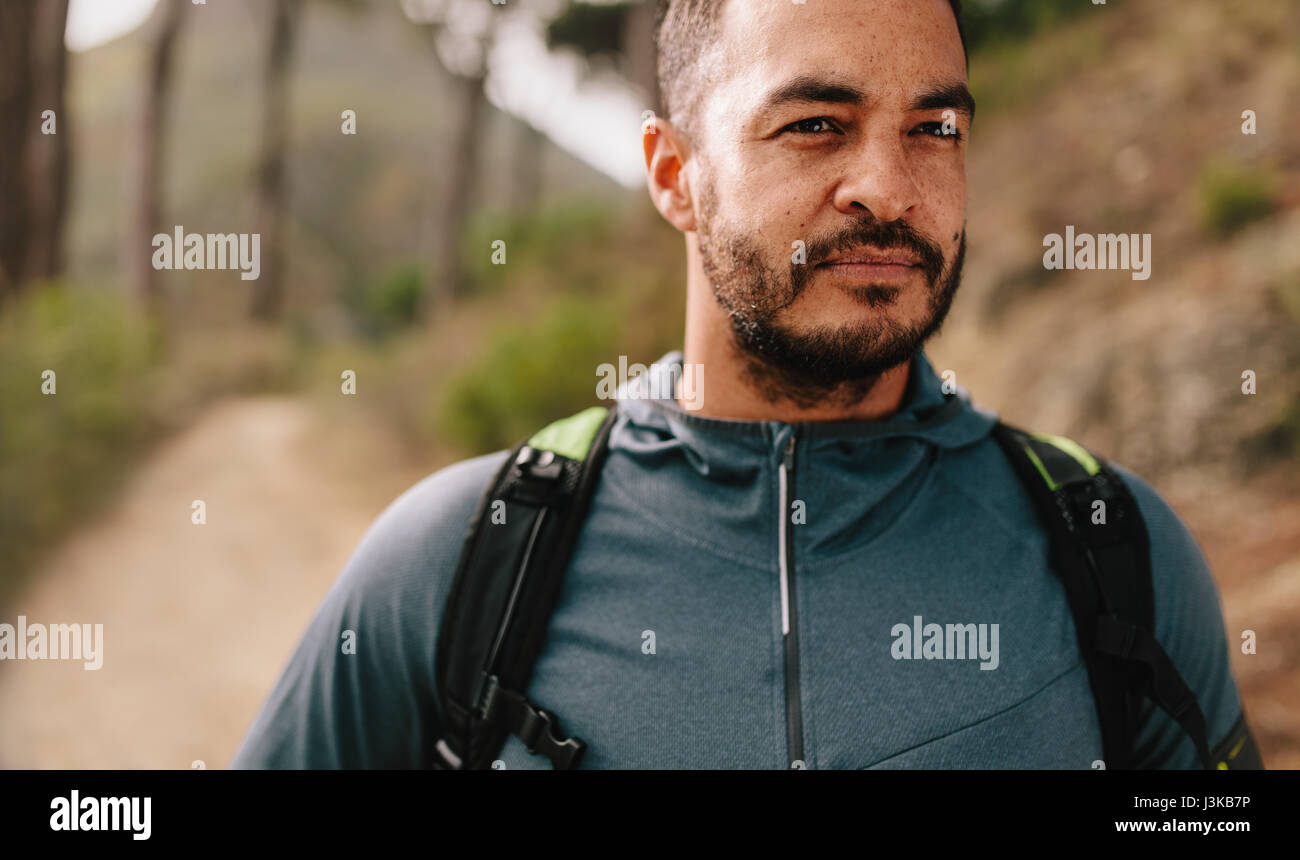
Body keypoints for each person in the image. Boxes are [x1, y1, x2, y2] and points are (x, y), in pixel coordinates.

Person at [231, 0, 1257, 769]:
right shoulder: (461, 559)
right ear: (675, 176)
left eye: (934, 128)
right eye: (816, 124)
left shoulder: (1115, 550)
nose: (889, 188)